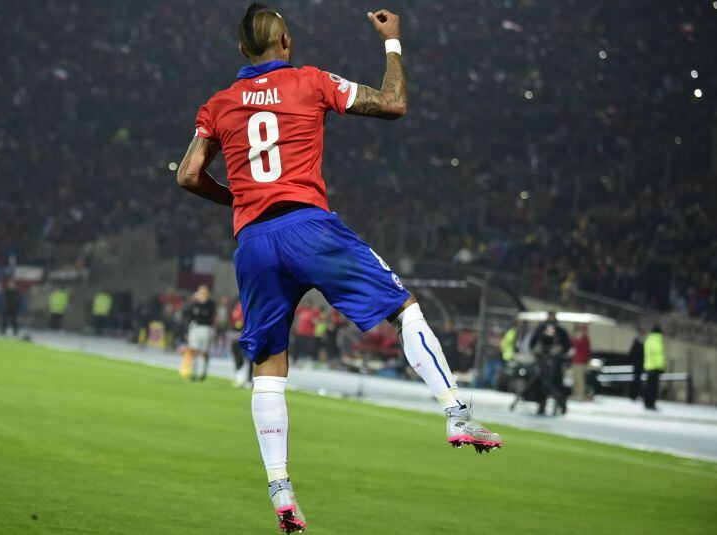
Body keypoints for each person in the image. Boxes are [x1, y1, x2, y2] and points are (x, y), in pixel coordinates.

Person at [176, 5, 502, 531]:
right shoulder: (311, 81)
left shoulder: (218, 105)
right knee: (404, 307)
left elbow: (190, 175)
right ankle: (457, 413)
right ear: (285, 40)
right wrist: (392, 42)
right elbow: (394, 104)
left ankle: (280, 489)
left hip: (254, 241)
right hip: (310, 226)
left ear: (242, 52)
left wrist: (239, 199)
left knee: (269, 368)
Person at [528, 311, 571, 415]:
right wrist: (536, 352)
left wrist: (559, 351)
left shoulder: (560, 331)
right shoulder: (541, 329)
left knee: (554, 385)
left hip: (555, 363)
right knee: (542, 384)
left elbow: (566, 345)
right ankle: (541, 405)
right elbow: (533, 343)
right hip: (542, 360)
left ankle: (561, 404)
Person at [181, 286, 215, 381]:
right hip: (195, 327)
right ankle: (193, 372)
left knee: (203, 350)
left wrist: (199, 311)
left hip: (205, 328)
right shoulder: (194, 304)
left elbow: (207, 315)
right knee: (193, 349)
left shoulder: (210, 304)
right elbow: (189, 313)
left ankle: (202, 372)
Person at [643, 325, 666, 410]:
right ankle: (651, 404)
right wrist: (661, 367)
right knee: (653, 388)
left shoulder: (649, 340)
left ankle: (647, 403)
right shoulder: (657, 341)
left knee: (648, 387)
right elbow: (658, 356)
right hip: (655, 368)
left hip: (648, 366)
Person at [570, 324, 591, 400]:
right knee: (575, 378)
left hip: (581, 362)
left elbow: (587, 351)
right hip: (575, 361)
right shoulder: (576, 338)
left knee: (580, 379)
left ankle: (580, 394)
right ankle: (575, 393)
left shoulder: (584, 339)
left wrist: (586, 361)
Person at [627, 325, 646, 400]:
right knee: (636, 379)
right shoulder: (637, 341)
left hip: (640, 364)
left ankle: (637, 394)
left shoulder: (643, 342)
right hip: (636, 364)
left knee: (638, 379)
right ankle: (633, 395)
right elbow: (632, 352)